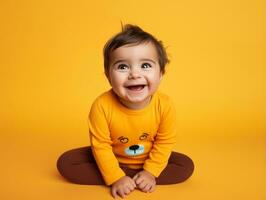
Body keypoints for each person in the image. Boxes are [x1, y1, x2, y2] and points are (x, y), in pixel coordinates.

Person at [57, 24, 194, 199]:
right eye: (122, 67)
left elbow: (165, 141)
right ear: (108, 75)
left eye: (145, 65)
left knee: (185, 166)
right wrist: (115, 176)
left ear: (160, 73)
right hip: (111, 156)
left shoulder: (164, 105)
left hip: (147, 158)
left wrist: (151, 171)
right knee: (67, 163)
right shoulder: (101, 105)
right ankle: (121, 176)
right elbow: (101, 145)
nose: (134, 74)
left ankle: (141, 177)